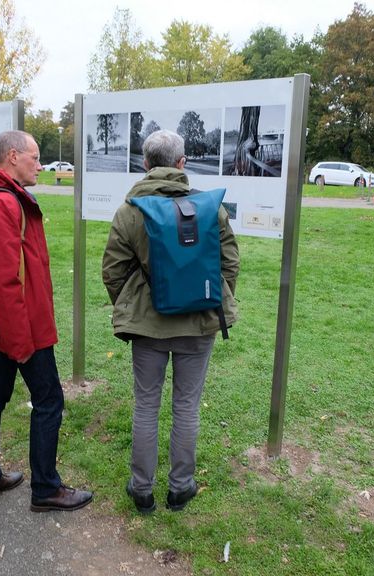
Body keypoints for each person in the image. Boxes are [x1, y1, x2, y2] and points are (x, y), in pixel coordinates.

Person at [101, 129, 239, 514]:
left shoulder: (130, 211)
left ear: (145, 164)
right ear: (182, 164)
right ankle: (181, 488)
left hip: (149, 328)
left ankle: (141, 489)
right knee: (187, 406)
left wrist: (133, 306)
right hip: (199, 323)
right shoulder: (211, 208)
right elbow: (229, 263)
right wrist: (211, 296)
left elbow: (112, 271)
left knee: (146, 405)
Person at [0, 130, 92, 512]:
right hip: (22, 326)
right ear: (13, 156)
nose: (40, 165)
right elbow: (3, 282)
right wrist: (20, 342)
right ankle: (46, 488)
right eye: (35, 158)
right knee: (49, 400)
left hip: (7, 325)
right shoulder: (3, 203)